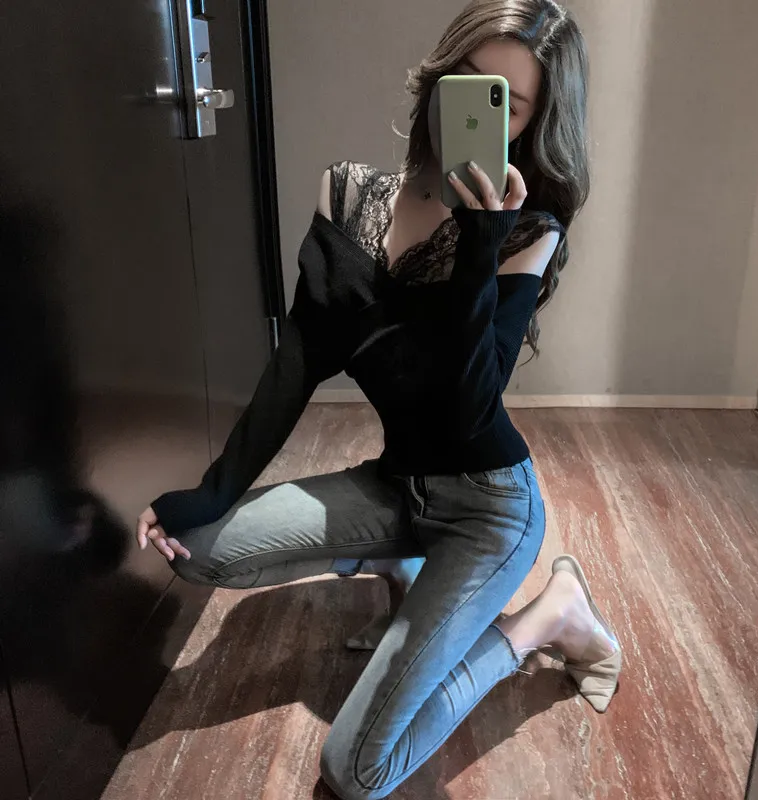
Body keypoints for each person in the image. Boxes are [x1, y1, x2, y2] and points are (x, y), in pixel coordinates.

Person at [137, 1, 622, 797]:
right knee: (199, 550)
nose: (473, 109)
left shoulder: (527, 231)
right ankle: (404, 563)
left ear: (532, 126)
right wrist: (212, 490)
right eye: (466, 80)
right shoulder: (349, 193)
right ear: (438, 76)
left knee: (357, 770)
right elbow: (296, 365)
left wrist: (479, 248)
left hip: (488, 510)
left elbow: (467, 409)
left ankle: (548, 616)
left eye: (507, 102)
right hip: (400, 487)